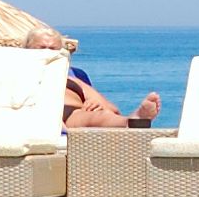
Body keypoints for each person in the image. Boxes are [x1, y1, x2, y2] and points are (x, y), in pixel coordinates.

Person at [25, 26, 160, 128]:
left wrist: (94, 104)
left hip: (74, 116)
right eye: (42, 48)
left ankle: (135, 120)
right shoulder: (17, 75)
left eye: (53, 49)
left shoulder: (72, 78)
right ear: (26, 50)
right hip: (41, 116)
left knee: (102, 115)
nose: (48, 53)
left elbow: (113, 110)